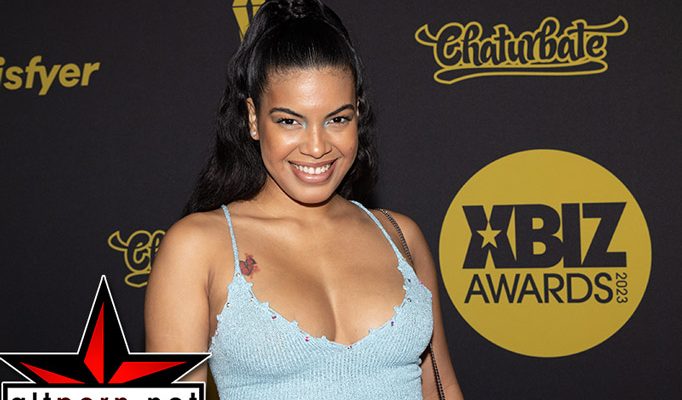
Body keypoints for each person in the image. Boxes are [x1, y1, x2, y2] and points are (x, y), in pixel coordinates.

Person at [144, 0, 464, 399]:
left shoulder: (401, 236)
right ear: (252, 119)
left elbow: (442, 387)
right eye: (289, 121)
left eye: (337, 119)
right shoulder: (197, 246)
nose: (316, 147)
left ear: (358, 115)